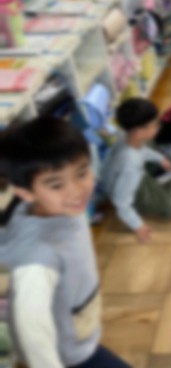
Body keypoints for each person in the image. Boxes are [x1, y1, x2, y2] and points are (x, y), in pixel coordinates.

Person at [0, 117, 129, 368]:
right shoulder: (37, 260)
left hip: (77, 332)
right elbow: (33, 337)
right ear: (25, 192)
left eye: (82, 173)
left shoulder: (60, 208)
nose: (77, 190)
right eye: (56, 184)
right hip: (68, 356)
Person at [102, 98, 171, 243]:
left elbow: (141, 149)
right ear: (138, 131)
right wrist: (137, 225)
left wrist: (160, 159)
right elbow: (121, 202)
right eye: (155, 124)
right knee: (170, 206)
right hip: (129, 188)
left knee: (150, 144)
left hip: (127, 174)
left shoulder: (127, 135)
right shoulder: (131, 163)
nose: (158, 126)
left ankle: (162, 175)